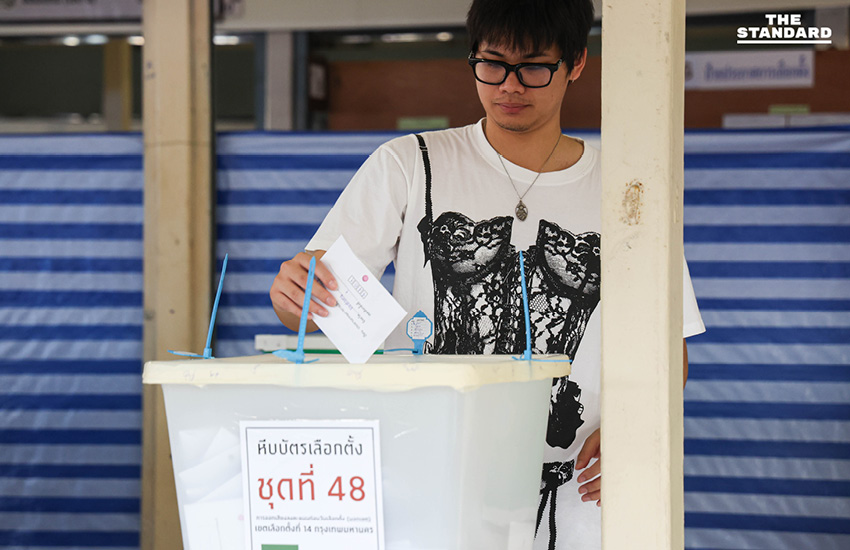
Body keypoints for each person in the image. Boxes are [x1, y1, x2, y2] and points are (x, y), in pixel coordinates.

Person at [270, 0, 705, 548]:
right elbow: (305, 310)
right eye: (493, 63)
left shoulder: (625, 189)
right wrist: (294, 295)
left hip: (580, 502)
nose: (509, 86)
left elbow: (671, 351)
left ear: (576, 63)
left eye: (534, 67)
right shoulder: (410, 165)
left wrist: (635, 420)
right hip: (431, 484)